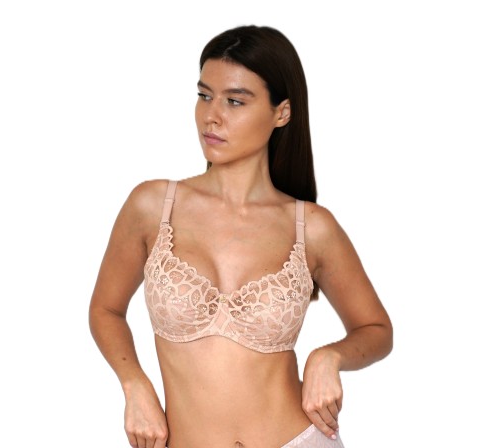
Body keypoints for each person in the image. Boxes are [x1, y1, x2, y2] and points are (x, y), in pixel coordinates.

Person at [89, 24, 393, 448]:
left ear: (281, 113)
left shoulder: (311, 227)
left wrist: (329, 356)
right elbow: (105, 309)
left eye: (234, 101)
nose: (211, 116)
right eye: (204, 95)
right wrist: (134, 383)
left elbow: (376, 328)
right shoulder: (153, 206)